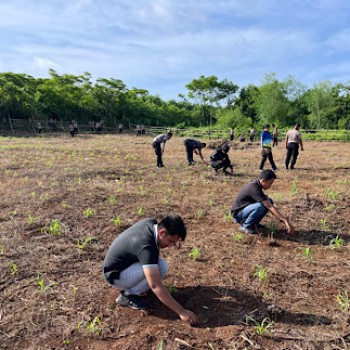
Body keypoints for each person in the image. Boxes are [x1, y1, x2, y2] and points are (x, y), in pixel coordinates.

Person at [102, 215, 199, 325]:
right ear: (162, 233)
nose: (171, 245)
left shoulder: (151, 223)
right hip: (115, 275)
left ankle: (136, 288)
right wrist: (182, 312)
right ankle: (127, 296)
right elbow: (155, 285)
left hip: (124, 265)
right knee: (157, 270)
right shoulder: (147, 247)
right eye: (170, 241)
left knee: (161, 265)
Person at [231, 169, 296, 234]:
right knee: (261, 206)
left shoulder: (256, 184)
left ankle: (254, 223)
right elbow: (270, 207)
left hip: (244, 211)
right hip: (238, 215)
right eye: (270, 183)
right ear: (263, 181)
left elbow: (267, 201)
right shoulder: (254, 188)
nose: (270, 186)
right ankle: (245, 226)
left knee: (269, 201)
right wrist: (285, 220)